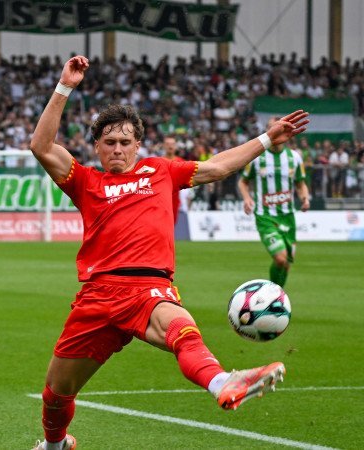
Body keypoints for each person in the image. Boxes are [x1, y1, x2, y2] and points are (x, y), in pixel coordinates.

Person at [27, 55, 309, 450]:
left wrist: (265, 140)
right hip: (96, 295)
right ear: (97, 147)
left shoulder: (161, 171)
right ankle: (55, 446)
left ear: (138, 145)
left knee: (181, 329)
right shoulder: (85, 181)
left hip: (148, 288)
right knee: (56, 393)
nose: (118, 149)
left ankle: (222, 382)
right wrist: (64, 87)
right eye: (109, 143)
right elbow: (41, 145)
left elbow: (217, 168)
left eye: (126, 142)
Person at [238, 118, 310, 288]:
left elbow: (301, 183)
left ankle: (277, 294)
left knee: (285, 264)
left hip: (287, 217)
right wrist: (247, 198)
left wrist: (305, 198)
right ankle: (271, 292)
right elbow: (243, 181)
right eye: (272, 128)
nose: (276, 130)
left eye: (279, 128)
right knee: (280, 257)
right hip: (265, 217)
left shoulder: (295, 158)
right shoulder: (257, 158)